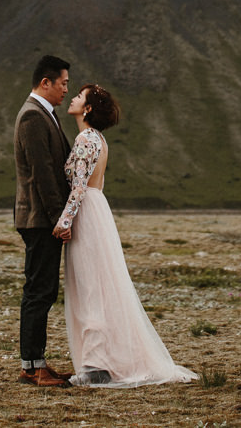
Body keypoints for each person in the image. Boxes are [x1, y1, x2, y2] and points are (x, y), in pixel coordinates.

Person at [56, 84, 197, 388]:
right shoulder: (100, 140)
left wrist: (64, 222)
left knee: (91, 287)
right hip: (98, 211)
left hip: (87, 214)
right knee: (101, 286)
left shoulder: (84, 139)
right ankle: (103, 360)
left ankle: (96, 365)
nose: (73, 99)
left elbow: (79, 187)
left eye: (79, 96)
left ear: (88, 108)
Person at [12, 54, 75, 387]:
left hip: (42, 219)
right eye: (63, 83)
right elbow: (43, 175)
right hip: (40, 220)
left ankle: (37, 363)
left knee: (43, 290)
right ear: (45, 82)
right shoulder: (33, 117)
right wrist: (59, 219)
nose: (67, 89)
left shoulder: (44, 115)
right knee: (39, 292)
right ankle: (31, 368)